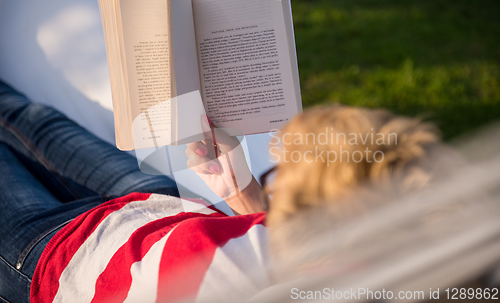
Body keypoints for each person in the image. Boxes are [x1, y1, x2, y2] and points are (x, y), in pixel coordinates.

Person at [0, 79, 447, 303]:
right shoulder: (359, 239)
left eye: (281, 174)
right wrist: (243, 188)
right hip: (160, 208)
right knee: (36, 118)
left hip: (55, 257)